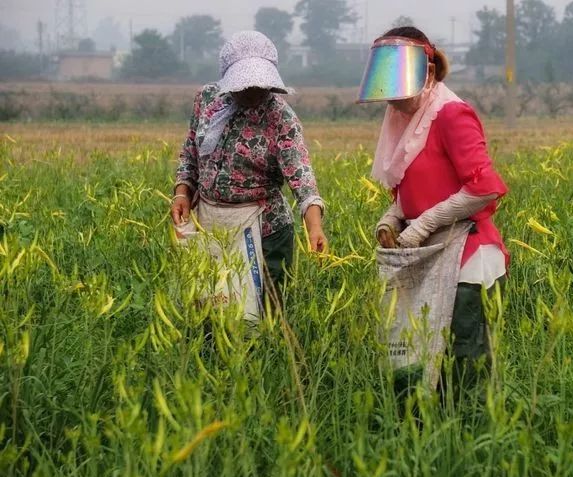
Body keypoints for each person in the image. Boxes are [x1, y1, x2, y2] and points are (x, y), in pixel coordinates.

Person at [357, 27, 510, 402]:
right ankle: (422, 433)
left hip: (465, 257)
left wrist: (424, 223)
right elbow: (414, 185)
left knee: (462, 360)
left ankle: (470, 440)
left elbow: (484, 187)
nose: (392, 96)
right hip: (425, 253)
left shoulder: (451, 114)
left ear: (426, 72)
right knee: (418, 352)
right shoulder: (402, 118)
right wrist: (391, 218)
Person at [171, 31, 327, 315]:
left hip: (264, 231)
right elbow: (190, 152)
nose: (253, 91)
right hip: (211, 223)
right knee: (210, 310)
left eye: (260, 84)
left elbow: (302, 177)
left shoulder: (281, 118)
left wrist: (314, 227)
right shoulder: (207, 100)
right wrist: (183, 191)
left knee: (262, 316)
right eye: (244, 84)